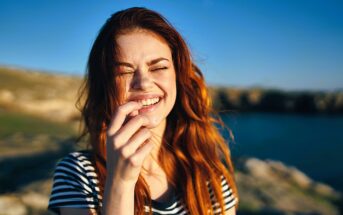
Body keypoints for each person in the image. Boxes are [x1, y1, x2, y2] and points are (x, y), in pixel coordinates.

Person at [48, 7, 239, 215]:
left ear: (178, 75)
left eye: (158, 68)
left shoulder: (207, 173)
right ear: (105, 86)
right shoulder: (77, 173)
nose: (144, 83)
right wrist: (120, 182)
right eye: (124, 72)